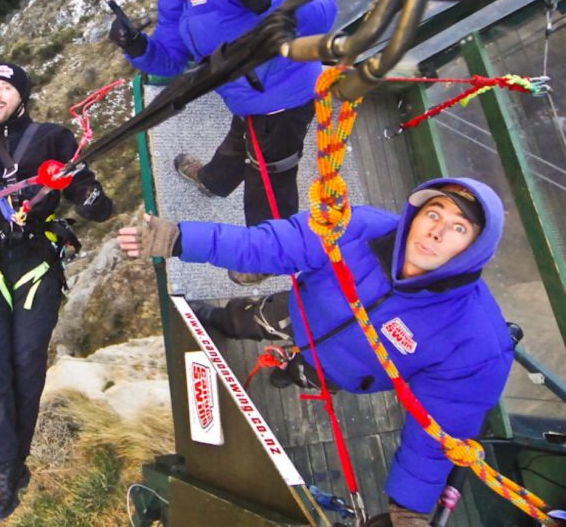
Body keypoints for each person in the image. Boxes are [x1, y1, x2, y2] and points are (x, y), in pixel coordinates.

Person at [117, 178, 514, 527]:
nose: (436, 233)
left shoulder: (475, 340)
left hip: (340, 370)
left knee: (300, 370)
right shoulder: (356, 229)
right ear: (416, 214)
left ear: (473, 249)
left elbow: (441, 422)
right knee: (245, 319)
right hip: (297, 313)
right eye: (434, 214)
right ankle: (217, 320)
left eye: (458, 227)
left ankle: (288, 370)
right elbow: (268, 245)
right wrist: (180, 239)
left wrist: (408, 508)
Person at [109, 0, 337, 284]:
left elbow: (324, 10)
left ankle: (267, 256)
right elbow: (172, 59)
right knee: (238, 143)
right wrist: (137, 47)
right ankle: (213, 182)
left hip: (284, 100)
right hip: (241, 94)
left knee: (269, 182)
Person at [0, 63, 113, 523]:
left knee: (26, 361)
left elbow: (89, 192)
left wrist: (90, 200)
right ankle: (5, 469)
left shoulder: (52, 138)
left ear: (22, 97)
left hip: (35, 262)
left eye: (6, 88)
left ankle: (11, 466)